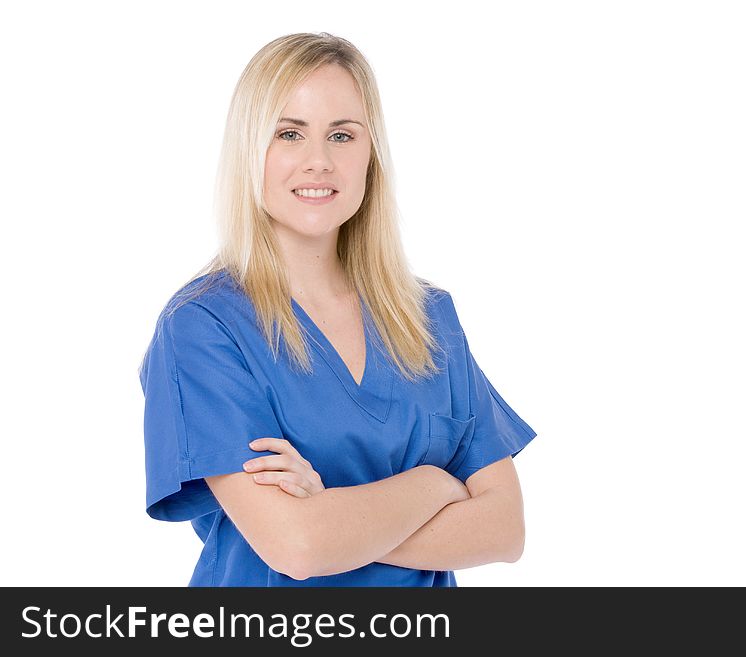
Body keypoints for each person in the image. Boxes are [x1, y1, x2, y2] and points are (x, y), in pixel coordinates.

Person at [138, 32, 538, 587]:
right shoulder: (204, 328)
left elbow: (504, 531)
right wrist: (436, 485)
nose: (319, 161)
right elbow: (299, 548)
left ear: (371, 155)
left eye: (342, 135)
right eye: (289, 134)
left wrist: (331, 514)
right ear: (250, 149)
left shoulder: (427, 319)